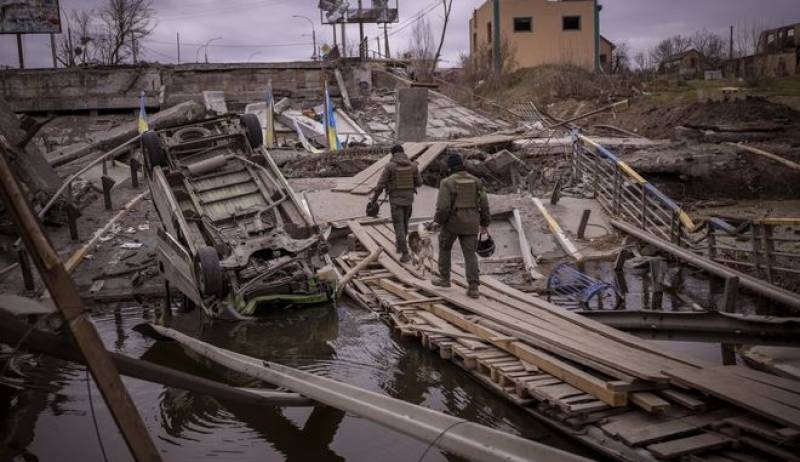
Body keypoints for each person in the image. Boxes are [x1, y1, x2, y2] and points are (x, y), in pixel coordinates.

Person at [431, 151, 490, 299]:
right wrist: (484, 223)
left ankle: (445, 279)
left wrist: (438, 221)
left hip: (451, 224)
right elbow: (484, 204)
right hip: (471, 224)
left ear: (450, 167)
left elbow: (443, 207)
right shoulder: (476, 181)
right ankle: (473, 287)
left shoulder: (446, 183)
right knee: (470, 255)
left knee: (445, 248)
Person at [370, 144, 422, 263]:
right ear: (403, 153)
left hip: (395, 201)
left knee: (398, 226)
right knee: (405, 224)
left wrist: (374, 200)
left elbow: (380, 185)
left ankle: (405, 253)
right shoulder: (413, 166)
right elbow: (419, 183)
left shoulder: (390, 166)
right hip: (409, 200)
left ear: (393, 154)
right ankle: (400, 245)